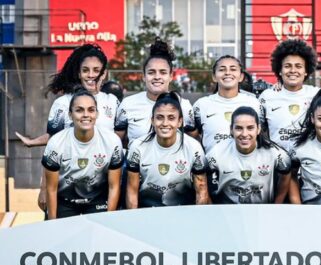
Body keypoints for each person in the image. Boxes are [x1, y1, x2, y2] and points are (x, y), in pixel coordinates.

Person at [15, 43, 120, 212]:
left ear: (104, 72)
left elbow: (119, 142)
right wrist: (43, 188)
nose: (91, 75)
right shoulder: (62, 103)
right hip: (66, 189)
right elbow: (53, 143)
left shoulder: (113, 103)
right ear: (78, 73)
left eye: (96, 70)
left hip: (101, 188)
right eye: (85, 70)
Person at [41, 89, 123, 219]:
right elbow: (51, 189)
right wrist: (53, 224)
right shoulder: (56, 143)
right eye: (79, 110)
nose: (86, 114)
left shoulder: (112, 142)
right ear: (70, 115)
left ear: (97, 114)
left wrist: (109, 220)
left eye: (91, 110)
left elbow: (114, 186)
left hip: (97, 201)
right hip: (64, 201)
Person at [126, 92, 209, 208]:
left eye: (171, 118)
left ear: (180, 121)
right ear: (152, 120)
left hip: (182, 211)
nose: (165, 123)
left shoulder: (194, 148)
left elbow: (202, 191)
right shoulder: (138, 147)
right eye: (160, 118)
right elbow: (132, 191)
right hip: (148, 211)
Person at [115, 38, 197, 146]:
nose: (157, 77)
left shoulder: (184, 106)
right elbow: (116, 143)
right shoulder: (128, 104)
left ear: (171, 76)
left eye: (163, 72)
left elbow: (194, 142)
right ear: (144, 76)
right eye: (151, 72)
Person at [206, 106, 291, 204]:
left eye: (250, 128)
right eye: (238, 128)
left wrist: (277, 205)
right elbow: (203, 186)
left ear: (258, 129)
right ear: (231, 129)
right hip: (227, 213)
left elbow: (286, 174)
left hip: (263, 211)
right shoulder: (215, 154)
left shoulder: (276, 153)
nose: (244, 134)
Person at [259, 39, 319, 152]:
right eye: (287, 66)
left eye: (298, 66)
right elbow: (257, 130)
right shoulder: (267, 96)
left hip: (308, 161)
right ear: (280, 70)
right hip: (277, 164)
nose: (293, 70)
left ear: (306, 71)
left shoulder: (316, 95)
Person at [193, 55, 262, 154]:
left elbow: (262, 135)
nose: (228, 73)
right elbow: (193, 136)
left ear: (241, 76)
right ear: (214, 76)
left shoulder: (254, 103)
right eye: (222, 69)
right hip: (213, 167)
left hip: (246, 166)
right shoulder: (201, 105)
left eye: (233, 69)